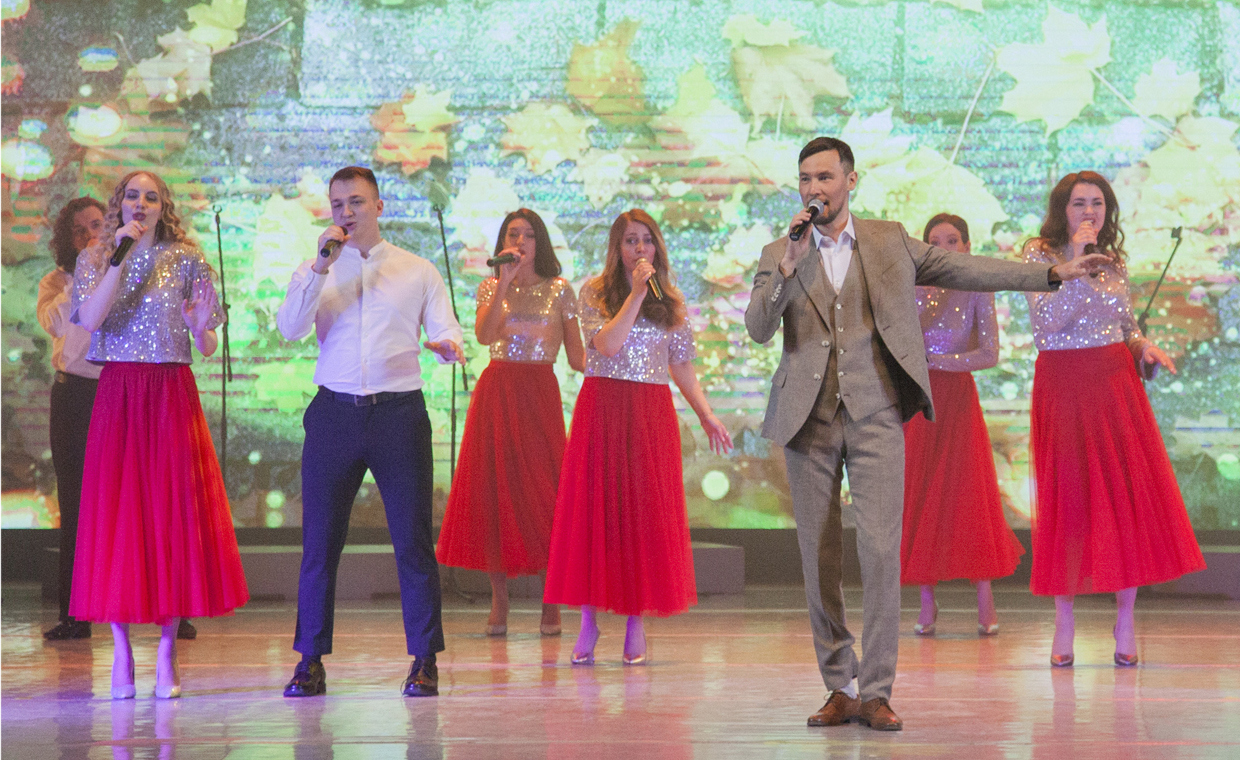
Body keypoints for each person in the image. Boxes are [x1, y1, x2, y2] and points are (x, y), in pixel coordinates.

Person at [745, 137, 1109, 731]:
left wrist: (1050, 273)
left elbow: (966, 268)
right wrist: (787, 265)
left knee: (881, 550)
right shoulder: (780, 250)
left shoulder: (888, 240)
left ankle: (876, 691)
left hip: (875, 412)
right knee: (818, 555)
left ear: (850, 181)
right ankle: (839, 685)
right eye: (806, 178)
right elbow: (759, 326)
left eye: (825, 177)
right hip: (806, 419)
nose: (814, 188)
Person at [276, 166, 464, 698]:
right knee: (319, 544)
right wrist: (320, 267)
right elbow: (289, 328)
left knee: (412, 541)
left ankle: (424, 660)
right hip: (334, 413)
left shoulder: (417, 269)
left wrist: (447, 345)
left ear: (378, 206)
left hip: (398, 414)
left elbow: (445, 326)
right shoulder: (316, 268)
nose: (346, 212)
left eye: (356, 202)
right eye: (337, 204)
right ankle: (309, 661)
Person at [69, 171, 249, 699]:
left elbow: (208, 343)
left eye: (151, 196)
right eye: (132, 195)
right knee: (118, 517)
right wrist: (117, 260)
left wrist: (199, 325)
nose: (141, 203)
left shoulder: (187, 258)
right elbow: (89, 320)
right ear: (119, 205)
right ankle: (122, 650)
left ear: (162, 206)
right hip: (120, 393)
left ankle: (168, 649)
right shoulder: (96, 257)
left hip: (171, 391)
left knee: (171, 516)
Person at [1023, 171, 1205, 667]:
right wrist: (1076, 262)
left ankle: (1125, 619)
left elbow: (1125, 326)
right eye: (1079, 202)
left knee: (1125, 502)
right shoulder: (1040, 256)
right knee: (1069, 501)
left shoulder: (1115, 261)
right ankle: (1064, 619)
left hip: (1115, 385)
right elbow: (1047, 324)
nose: (1090, 211)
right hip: (1064, 385)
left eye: (1098, 203)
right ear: (1062, 209)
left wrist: (1144, 347)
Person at [543, 209, 732, 665]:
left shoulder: (671, 300)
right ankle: (588, 620)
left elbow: (681, 364)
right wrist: (634, 295)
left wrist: (706, 415)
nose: (639, 248)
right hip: (603, 409)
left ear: (657, 247)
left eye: (646, 240)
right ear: (617, 248)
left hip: (650, 415)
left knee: (642, 518)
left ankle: (634, 621)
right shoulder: (594, 292)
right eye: (630, 241)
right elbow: (606, 346)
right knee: (594, 514)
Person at [436, 209, 585, 637]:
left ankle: (551, 600)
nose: (520, 242)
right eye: (512, 234)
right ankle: (499, 599)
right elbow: (485, 336)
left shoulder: (560, 290)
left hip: (539, 395)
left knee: (545, 493)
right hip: (497, 393)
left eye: (529, 235)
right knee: (495, 493)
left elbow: (577, 357)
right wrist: (504, 282)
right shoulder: (490, 286)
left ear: (541, 243)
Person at [900, 213, 1025, 637]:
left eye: (952, 240)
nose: (944, 248)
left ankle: (985, 595)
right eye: (934, 242)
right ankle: (926, 600)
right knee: (919, 491)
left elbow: (990, 353)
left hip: (957, 399)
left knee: (969, 494)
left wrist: (939, 361)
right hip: (919, 399)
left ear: (967, 247)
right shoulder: (911, 288)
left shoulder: (977, 288)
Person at [38, 197, 105, 641]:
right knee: (76, 504)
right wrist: (84, 273)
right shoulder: (56, 281)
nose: (90, 236)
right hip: (74, 396)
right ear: (68, 239)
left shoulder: (126, 273)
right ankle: (75, 615)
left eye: (97, 225)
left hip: (119, 392)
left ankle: (170, 612)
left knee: (141, 500)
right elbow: (56, 324)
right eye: (80, 230)